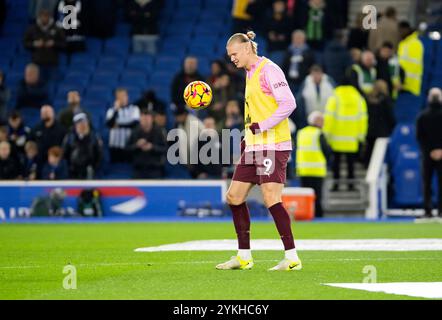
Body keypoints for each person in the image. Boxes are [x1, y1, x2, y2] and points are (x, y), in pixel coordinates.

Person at [216, 31, 301, 272]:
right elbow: (258, 110)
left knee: (271, 198)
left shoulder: (269, 69)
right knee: (234, 197)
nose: (231, 59)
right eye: (229, 56)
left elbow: (289, 103)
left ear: (246, 49)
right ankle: (243, 256)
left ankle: (292, 257)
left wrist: (262, 127)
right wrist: (248, 136)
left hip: (273, 145)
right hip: (255, 145)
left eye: (234, 54)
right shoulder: (250, 72)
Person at [323, 75, 368, 191]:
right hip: (352, 139)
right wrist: (361, 136)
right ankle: (351, 185)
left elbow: (329, 118)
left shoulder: (334, 97)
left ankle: (336, 185)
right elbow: (363, 118)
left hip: (336, 138)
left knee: (336, 163)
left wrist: (326, 134)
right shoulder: (358, 98)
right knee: (351, 164)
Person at [296, 111, 332, 217]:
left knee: (305, 197)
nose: (323, 123)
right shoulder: (319, 134)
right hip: (317, 170)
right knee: (317, 196)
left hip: (303, 170)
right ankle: (318, 216)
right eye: (322, 120)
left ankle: (305, 214)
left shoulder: (301, 132)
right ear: (317, 121)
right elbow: (327, 150)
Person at [416, 88, 442, 218]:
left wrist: (430, 150)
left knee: (427, 183)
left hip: (428, 155)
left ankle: (428, 210)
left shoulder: (422, 116)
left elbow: (420, 137)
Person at [23, 9, 66, 83]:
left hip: (52, 63)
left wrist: (54, 43)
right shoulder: (32, 29)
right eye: (42, 16)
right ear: (39, 17)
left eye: (46, 16)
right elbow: (25, 43)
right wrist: (34, 44)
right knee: (38, 85)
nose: (44, 18)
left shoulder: (57, 29)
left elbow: (64, 44)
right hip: (37, 62)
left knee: (53, 83)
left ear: (49, 17)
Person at [127, 109, 167, 179]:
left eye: (147, 119)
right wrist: (137, 145)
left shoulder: (159, 131)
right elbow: (127, 149)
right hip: (138, 169)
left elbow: (165, 149)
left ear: (152, 119)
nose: (145, 121)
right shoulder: (135, 131)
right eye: (143, 118)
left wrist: (152, 147)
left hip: (155, 168)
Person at [364, 80, 396, 167]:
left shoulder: (367, 99)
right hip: (382, 130)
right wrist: (393, 126)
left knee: (369, 149)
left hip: (370, 129)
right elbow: (390, 115)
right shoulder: (386, 100)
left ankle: (367, 166)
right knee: (380, 153)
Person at [62, 113, 103, 179]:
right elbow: (65, 154)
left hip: (88, 171)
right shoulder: (69, 138)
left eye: (85, 123)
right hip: (73, 171)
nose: (83, 126)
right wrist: (70, 167)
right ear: (75, 126)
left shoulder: (94, 137)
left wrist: (92, 167)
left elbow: (98, 155)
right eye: (80, 124)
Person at [105, 88, 140, 163]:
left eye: (123, 96)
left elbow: (134, 124)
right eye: (119, 97)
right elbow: (109, 124)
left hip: (129, 145)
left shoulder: (134, 109)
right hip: (115, 146)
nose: (122, 99)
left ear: (127, 96)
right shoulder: (111, 111)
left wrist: (118, 125)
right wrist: (116, 111)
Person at [282, 30, 316, 95]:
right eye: (295, 38)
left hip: (303, 81)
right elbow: (284, 65)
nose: (297, 40)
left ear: (304, 39)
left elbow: (312, 66)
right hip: (289, 81)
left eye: (299, 38)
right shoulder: (288, 51)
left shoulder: (309, 52)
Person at [398, 21, 424, 97]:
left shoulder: (416, 43)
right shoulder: (402, 44)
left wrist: (403, 82)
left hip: (411, 86)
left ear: (407, 29)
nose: (400, 33)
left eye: (401, 30)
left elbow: (414, 66)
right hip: (402, 85)